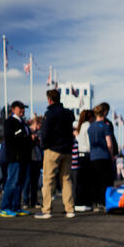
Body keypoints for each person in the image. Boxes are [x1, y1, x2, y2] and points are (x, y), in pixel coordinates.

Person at [36, 89, 76, 219]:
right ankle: (70, 209)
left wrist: (44, 146)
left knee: (48, 180)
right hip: (67, 150)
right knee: (66, 179)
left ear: (49, 99)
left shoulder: (49, 113)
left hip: (53, 149)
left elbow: (45, 132)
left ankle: (47, 210)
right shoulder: (68, 113)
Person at [0, 101, 33, 218]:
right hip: (15, 156)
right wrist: (23, 133)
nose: (23, 110)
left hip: (24, 157)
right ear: (13, 109)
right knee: (12, 182)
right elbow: (10, 137)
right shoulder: (10, 122)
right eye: (20, 108)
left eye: (24, 108)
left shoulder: (22, 122)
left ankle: (15, 206)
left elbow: (25, 137)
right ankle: (5, 207)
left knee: (20, 183)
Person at [87, 103, 116, 210]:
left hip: (93, 156)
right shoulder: (105, 126)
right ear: (104, 113)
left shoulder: (90, 127)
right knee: (105, 180)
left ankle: (96, 202)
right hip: (104, 156)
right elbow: (109, 143)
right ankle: (104, 202)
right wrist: (112, 155)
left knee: (95, 181)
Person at [73, 109, 94, 211]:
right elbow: (90, 143)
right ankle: (85, 202)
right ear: (91, 117)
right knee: (86, 181)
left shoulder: (80, 127)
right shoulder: (88, 126)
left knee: (80, 181)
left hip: (80, 155)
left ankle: (78, 202)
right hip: (87, 155)